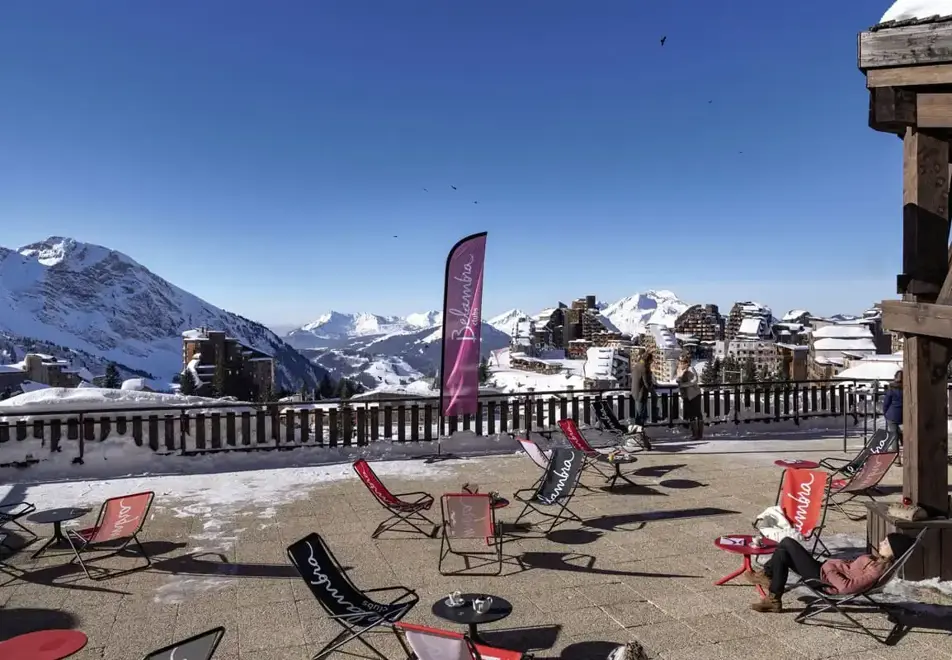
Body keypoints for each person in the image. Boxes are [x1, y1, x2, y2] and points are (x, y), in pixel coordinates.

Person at [745, 533, 915, 613]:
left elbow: (845, 588)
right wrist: (837, 564)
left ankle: (769, 582)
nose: (881, 542)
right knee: (783, 552)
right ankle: (772, 590)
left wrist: (831, 567)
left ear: (893, 550)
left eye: (885, 542)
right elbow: (850, 570)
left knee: (787, 543)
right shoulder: (876, 562)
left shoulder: (876, 570)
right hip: (824, 571)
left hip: (823, 581)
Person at [628, 352, 655, 450]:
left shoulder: (637, 365)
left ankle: (639, 436)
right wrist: (652, 390)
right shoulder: (644, 368)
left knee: (638, 415)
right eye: (651, 361)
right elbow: (647, 384)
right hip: (641, 394)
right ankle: (640, 437)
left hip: (635, 393)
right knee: (641, 416)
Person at [676, 354, 703, 440]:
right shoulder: (679, 370)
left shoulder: (691, 369)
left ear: (687, 362)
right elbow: (678, 380)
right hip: (686, 395)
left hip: (694, 394)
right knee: (691, 414)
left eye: (683, 362)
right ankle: (694, 433)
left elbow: (695, 380)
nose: (681, 363)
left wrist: (684, 385)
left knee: (697, 413)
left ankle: (699, 433)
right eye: (680, 362)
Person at [882, 369, 903, 464]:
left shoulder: (891, 389)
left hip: (892, 414)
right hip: (904, 415)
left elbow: (886, 403)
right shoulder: (908, 388)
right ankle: (909, 456)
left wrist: (885, 413)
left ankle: (897, 458)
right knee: (906, 436)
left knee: (894, 437)